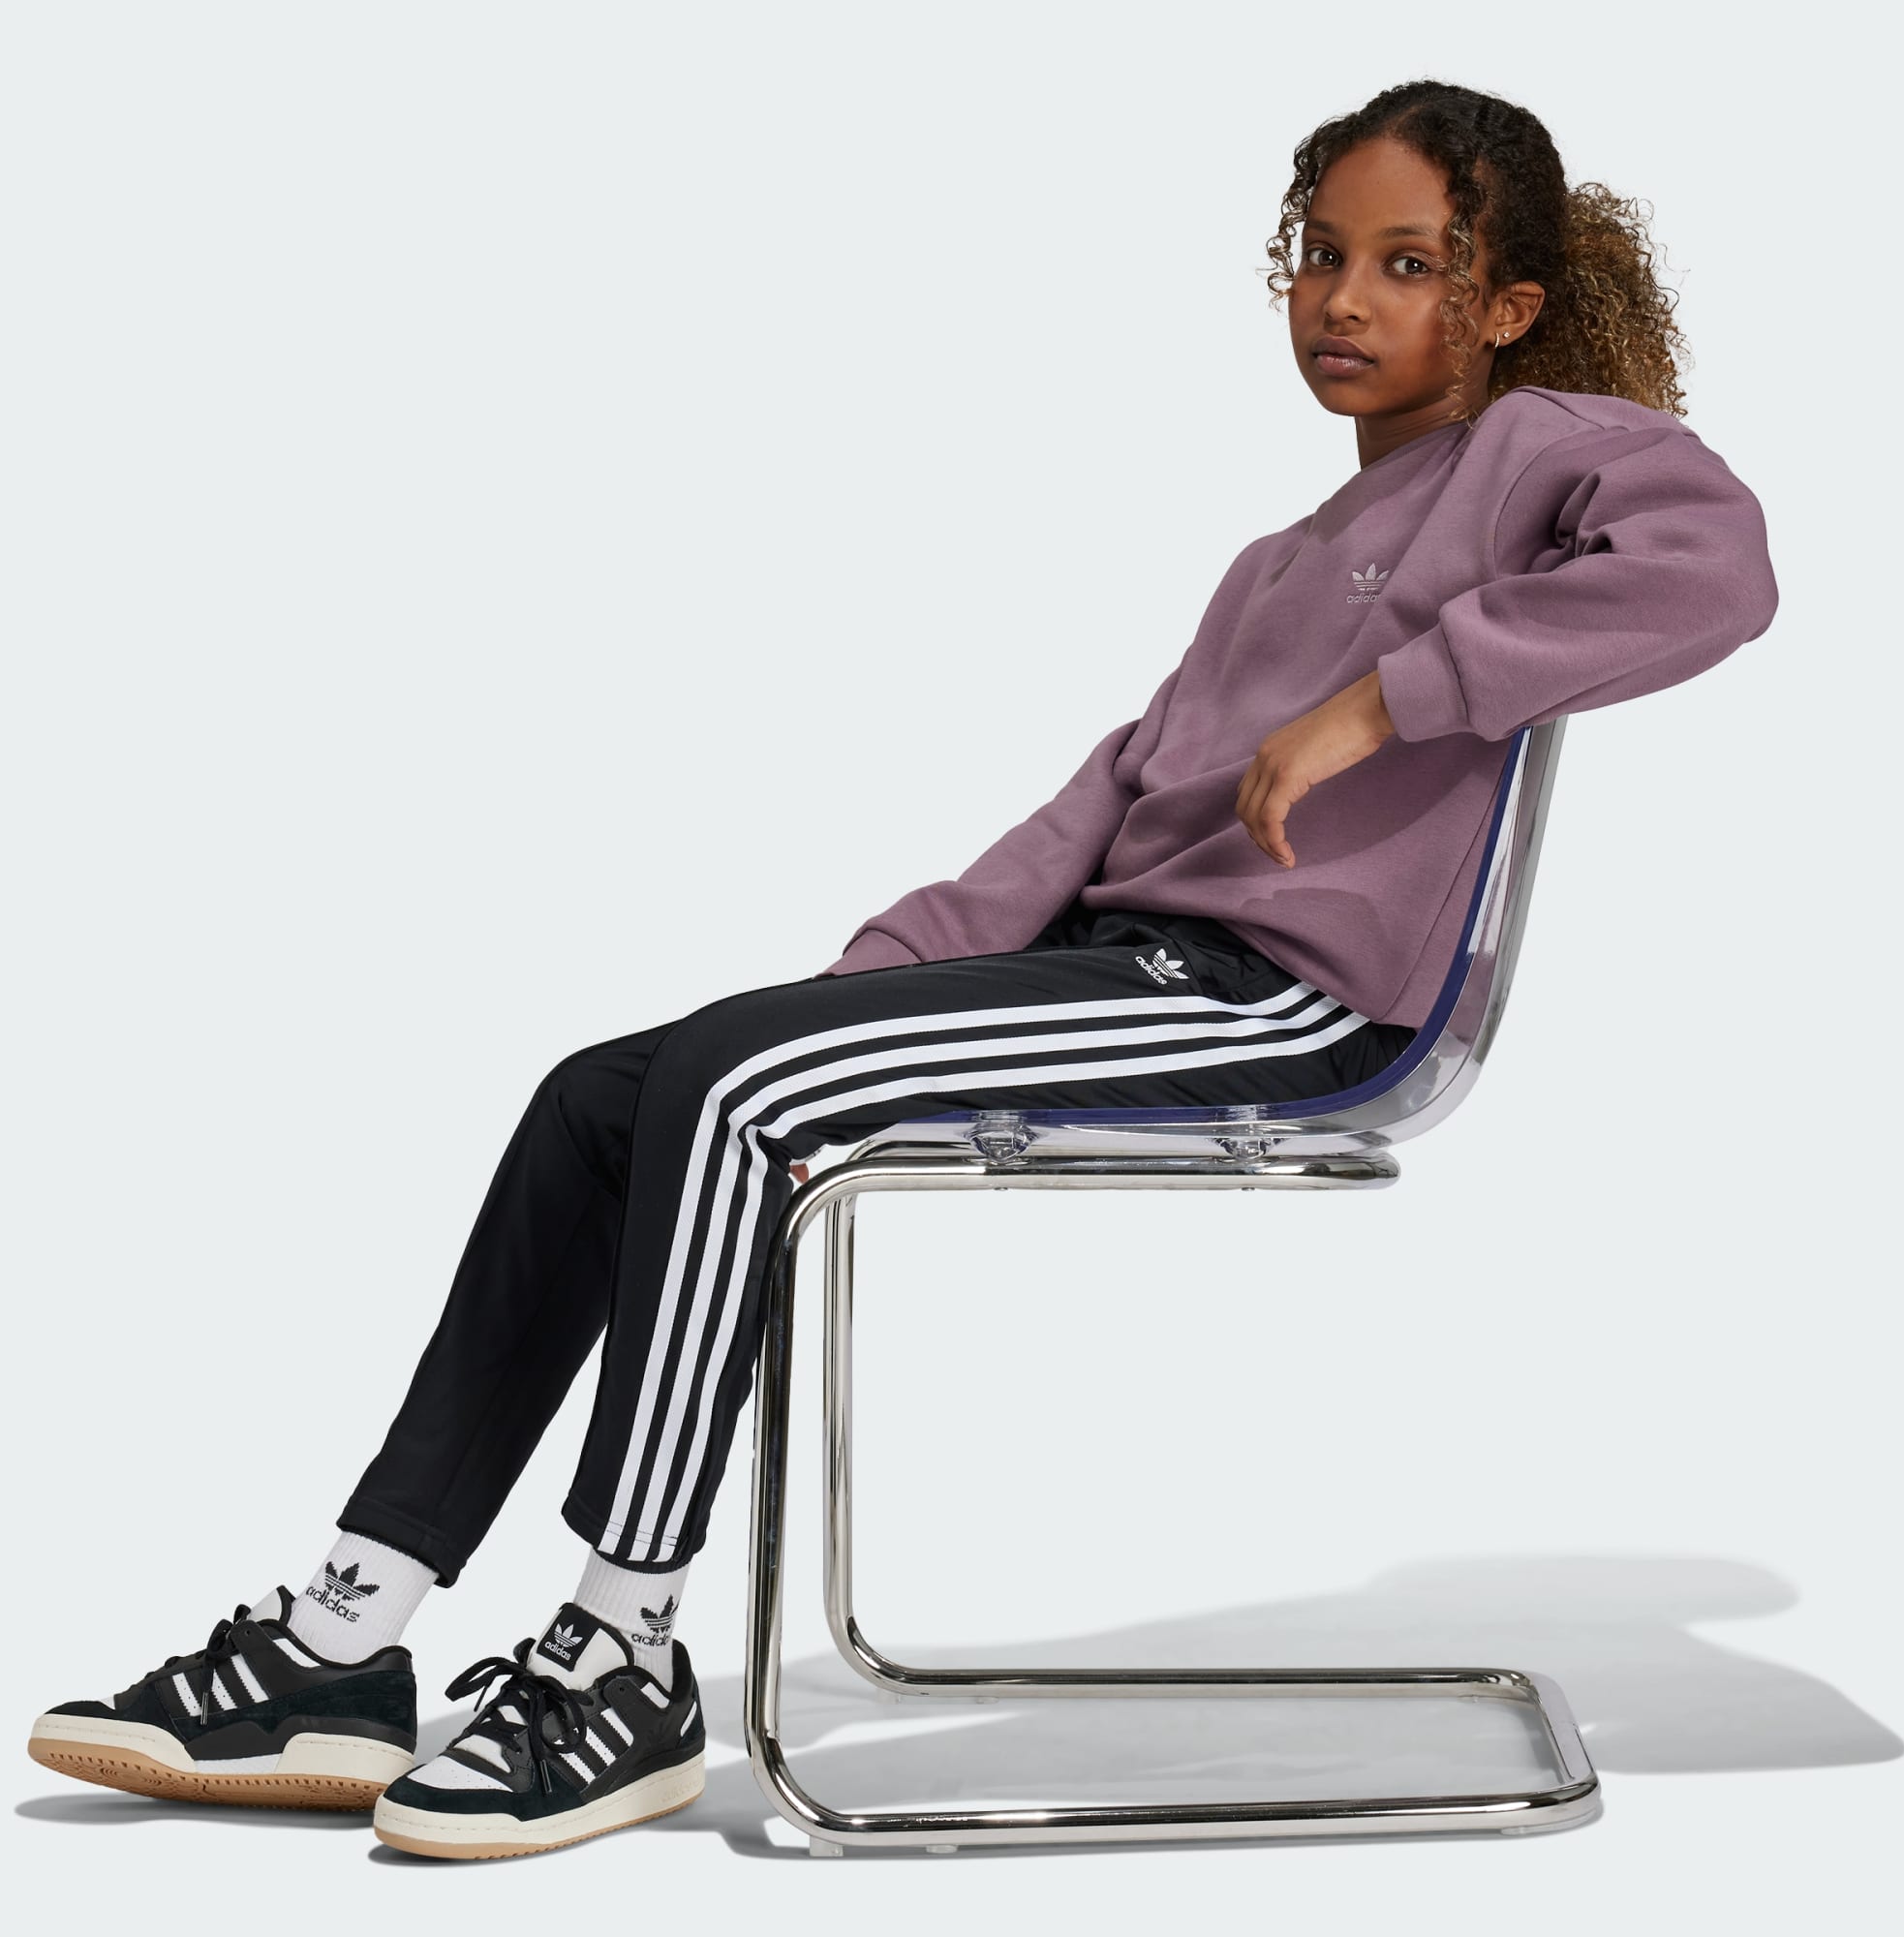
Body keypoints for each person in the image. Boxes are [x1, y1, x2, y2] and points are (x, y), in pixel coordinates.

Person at [25, 77, 1778, 1861]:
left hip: (1282, 1001)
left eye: (1409, 266)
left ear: (1507, 306)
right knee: (608, 1096)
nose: (1344, 299)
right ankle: (346, 1632)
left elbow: (1717, 575)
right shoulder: (1276, 563)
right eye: (1321, 255)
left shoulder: (1550, 445)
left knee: (738, 1091)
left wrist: (1382, 705)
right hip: (1123, 964)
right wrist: (845, 999)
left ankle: (621, 1652)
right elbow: (1095, 810)